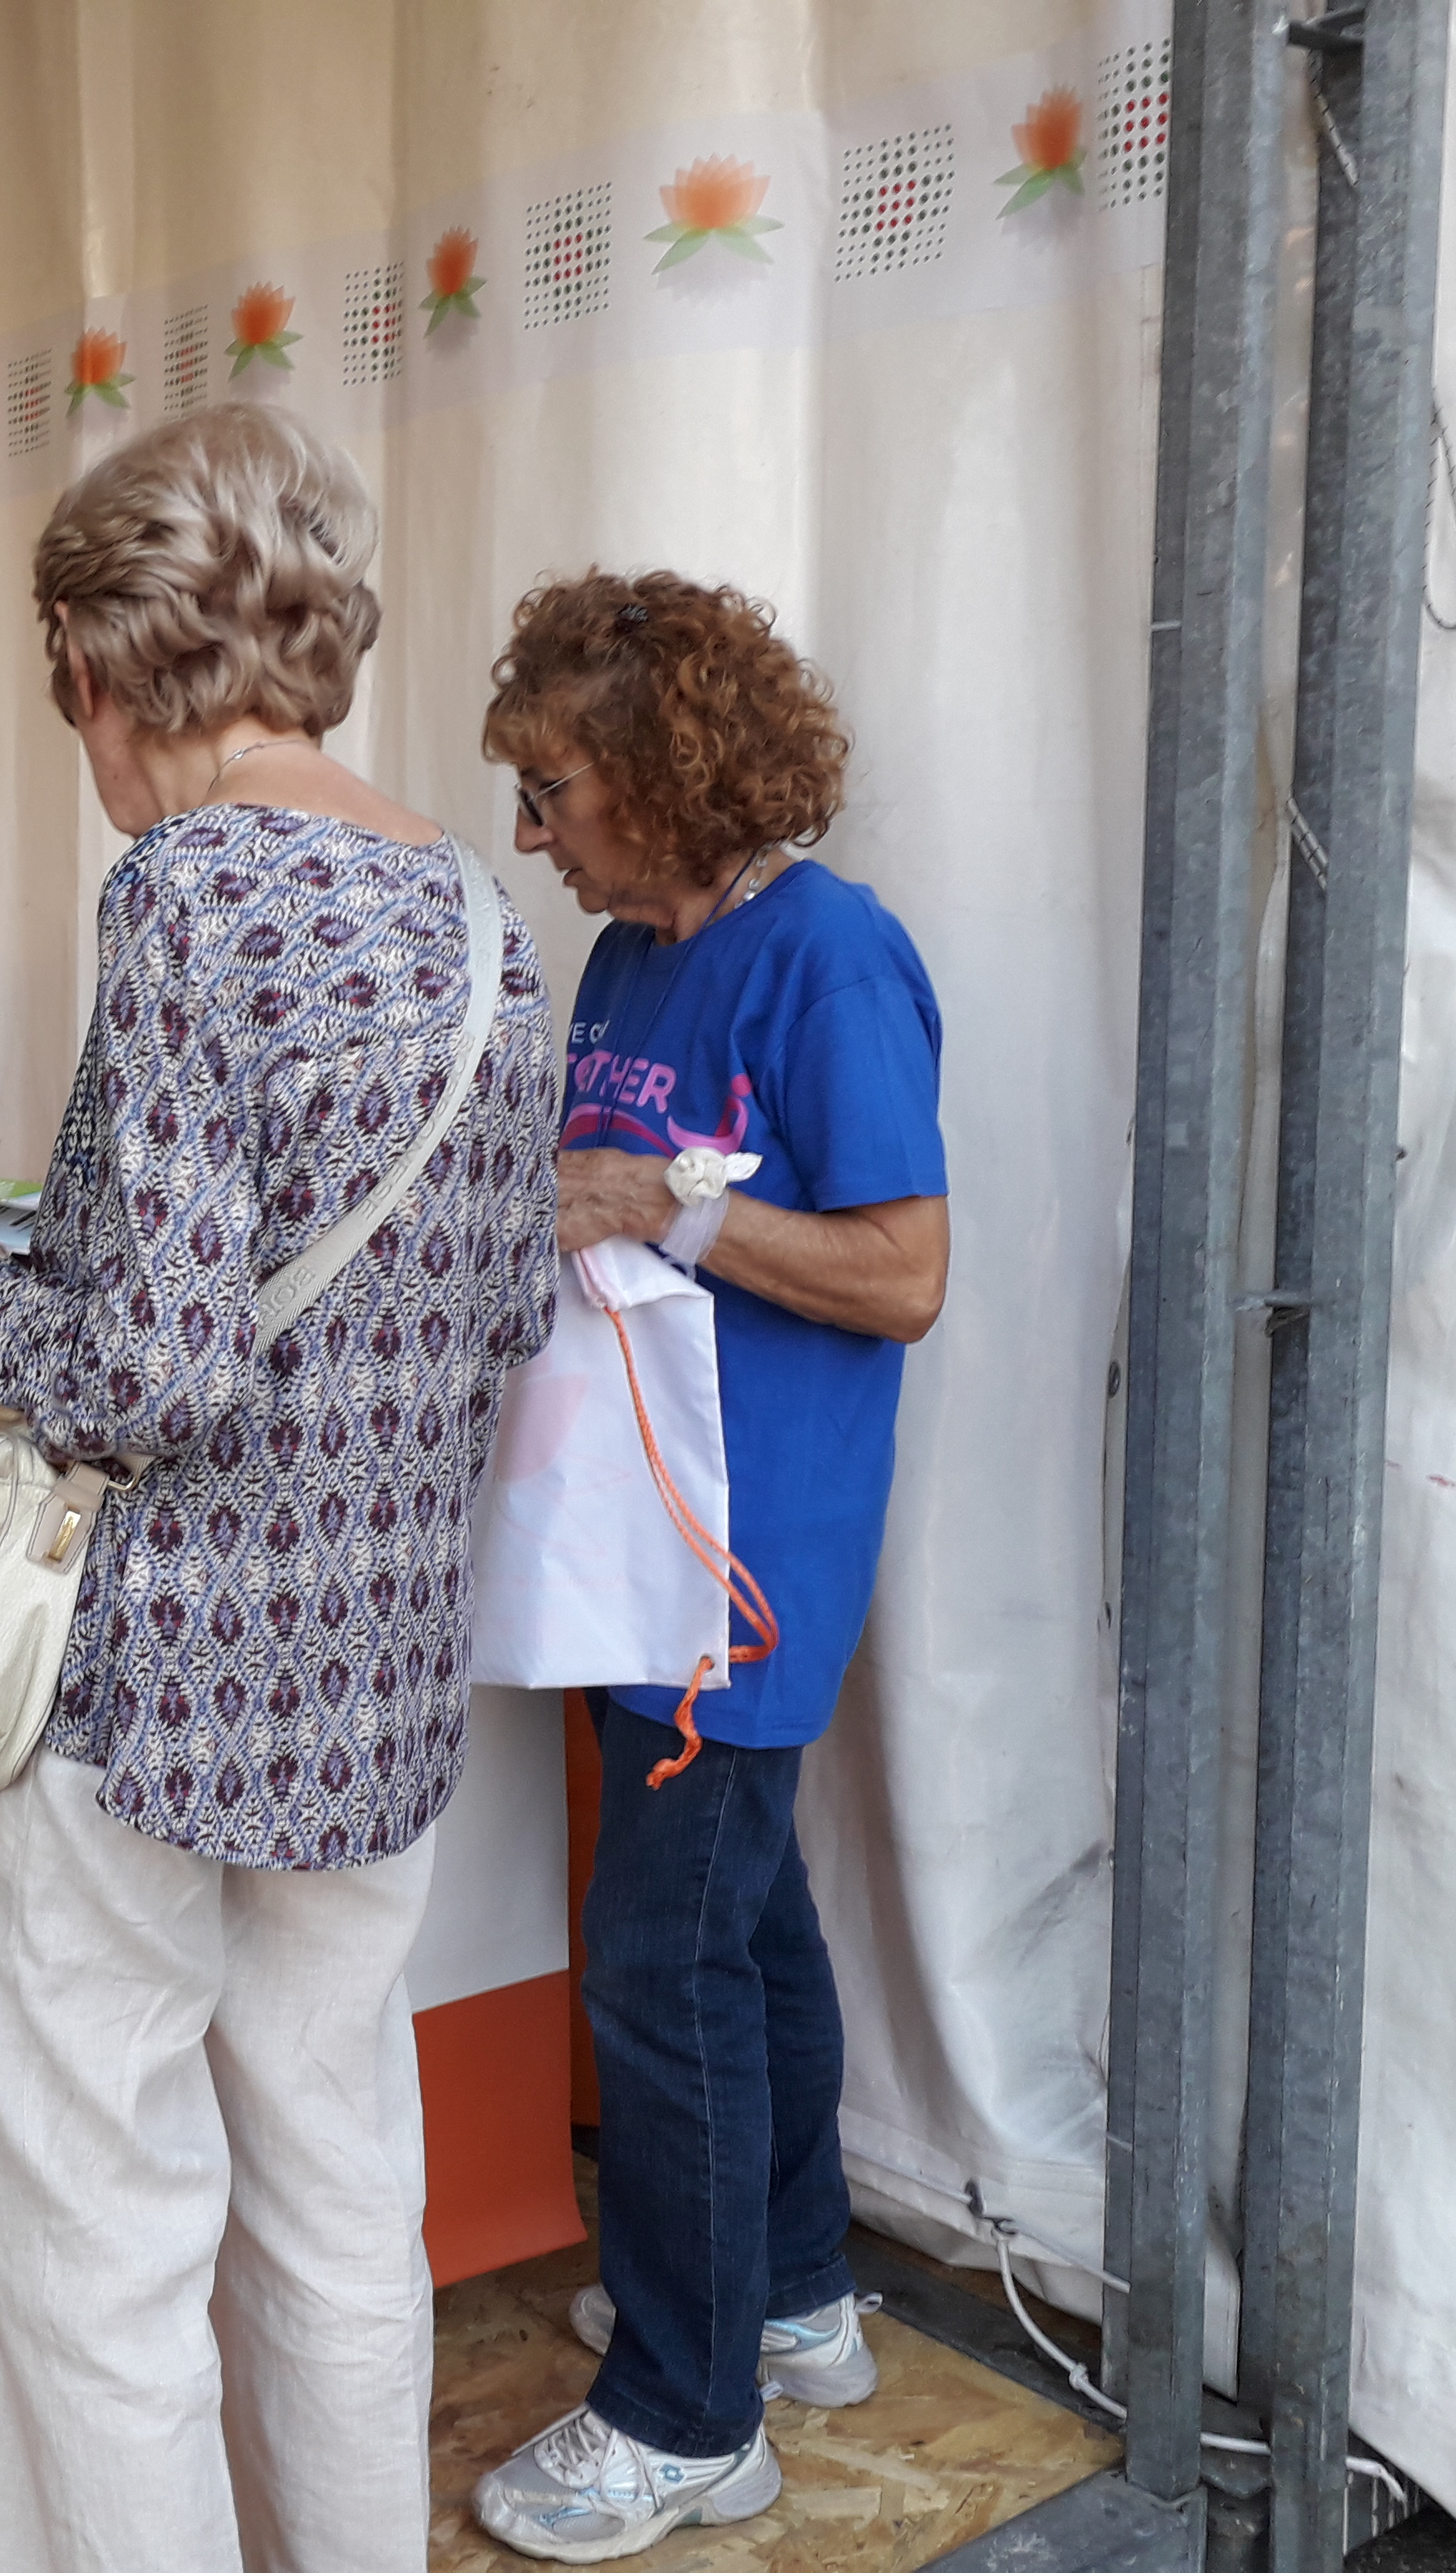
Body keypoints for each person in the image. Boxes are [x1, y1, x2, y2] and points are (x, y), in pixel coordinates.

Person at [0, 405, 559, 2573]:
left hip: (169, 1678)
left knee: (98, 2221)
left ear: (102, 661)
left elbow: (151, 1370)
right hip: (380, 1686)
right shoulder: (478, 917)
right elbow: (514, 1311)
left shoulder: (186, 889)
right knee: (341, 2182)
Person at [464, 570, 947, 2562]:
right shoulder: (625, 962)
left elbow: (904, 1276)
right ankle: (794, 2295)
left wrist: (670, 1211)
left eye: (556, 789)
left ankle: (688, 2413)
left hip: (742, 1559)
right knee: (746, 1932)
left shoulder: (830, 962)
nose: (530, 831)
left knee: (662, 1964)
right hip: (624, 1537)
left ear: (661, 780)